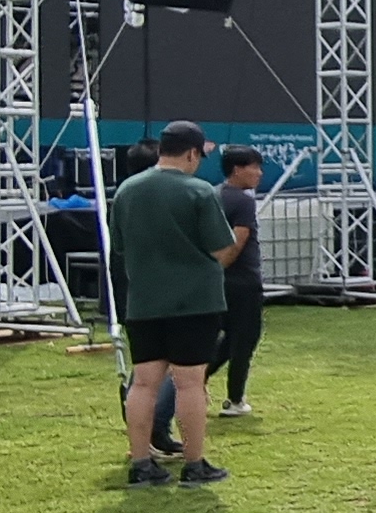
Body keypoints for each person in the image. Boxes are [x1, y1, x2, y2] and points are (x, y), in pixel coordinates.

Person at [110, 120, 233, 486]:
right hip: (194, 302)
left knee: (144, 384)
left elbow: (119, 246)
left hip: (144, 301)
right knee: (190, 384)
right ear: (192, 153)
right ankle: (194, 463)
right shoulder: (199, 192)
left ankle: (141, 463)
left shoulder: (127, 190)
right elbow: (221, 247)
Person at [214, 146, 267, 417]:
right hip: (243, 281)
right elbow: (238, 241)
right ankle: (235, 399)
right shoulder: (244, 202)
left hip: (218, 282)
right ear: (237, 170)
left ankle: (191, 382)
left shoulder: (213, 195)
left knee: (228, 339)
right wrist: (220, 266)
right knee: (245, 339)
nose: (259, 173)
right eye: (254, 167)